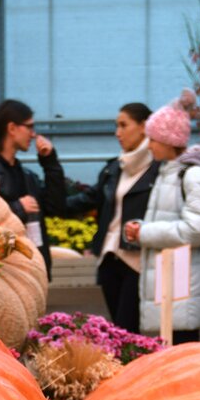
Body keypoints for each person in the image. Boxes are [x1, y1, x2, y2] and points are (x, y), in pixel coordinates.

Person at [122, 91, 200, 343]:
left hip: (183, 283)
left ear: (168, 140)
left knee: (183, 348)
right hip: (172, 282)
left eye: (153, 139)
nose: (149, 145)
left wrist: (145, 233)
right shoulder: (167, 173)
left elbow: (198, 229)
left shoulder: (192, 175)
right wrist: (140, 230)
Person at [62, 102, 155, 333]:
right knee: (119, 329)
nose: (117, 133)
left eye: (124, 125)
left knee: (128, 327)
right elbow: (86, 200)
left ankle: (135, 369)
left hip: (137, 260)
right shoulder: (114, 168)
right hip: (110, 257)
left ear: (144, 126)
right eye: (116, 126)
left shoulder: (159, 168)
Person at [0, 99, 66, 281]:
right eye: (29, 127)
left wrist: (50, 162)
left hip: (29, 267)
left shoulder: (26, 176)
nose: (33, 134)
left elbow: (56, 206)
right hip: (1, 270)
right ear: (12, 128)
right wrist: (18, 208)